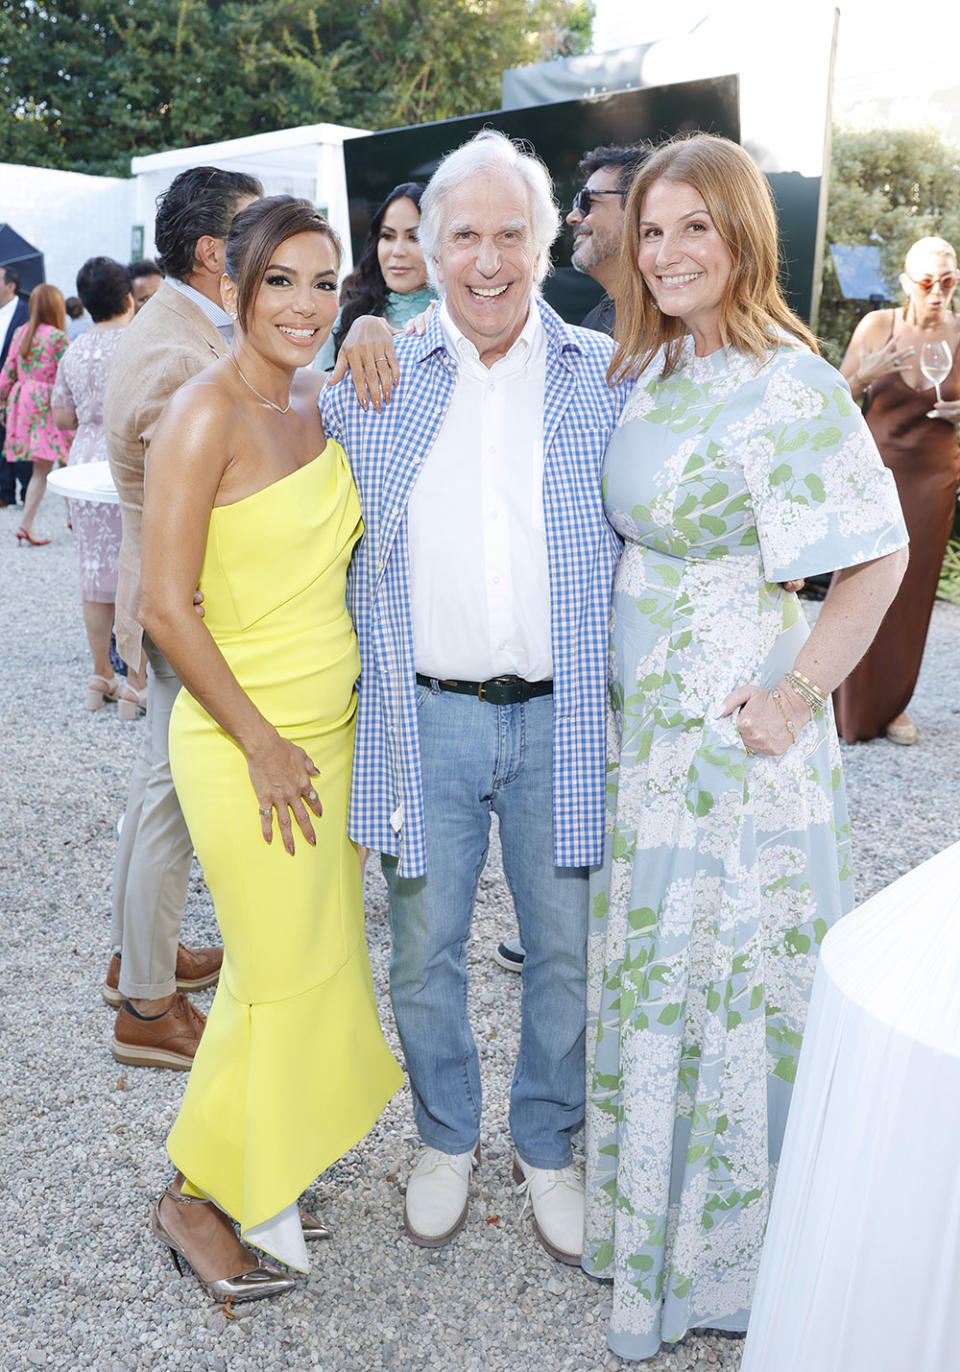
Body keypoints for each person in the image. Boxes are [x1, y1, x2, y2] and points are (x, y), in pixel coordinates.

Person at [581, 133, 908, 1362]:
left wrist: (798, 693)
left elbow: (875, 552)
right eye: (651, 231)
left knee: (725, 975)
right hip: (649, 738)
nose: (666, 253)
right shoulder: (662, 369)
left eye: (692, 230)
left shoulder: (790, 381)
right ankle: (656, 1230)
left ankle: (734, 1260)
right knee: (662, 967)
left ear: (742, 238)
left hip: (735, 736)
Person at [320, 129, 628, 1267]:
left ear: (549, 242)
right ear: (426, 248)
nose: (488, 260)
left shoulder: (609, 378)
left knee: (565, 952)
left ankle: (549, 1145)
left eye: (512, 233)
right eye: (465, 236)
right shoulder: (371, 379)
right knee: (424, 950)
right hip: (424, 712)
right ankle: (445, 1135)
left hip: (564, 720)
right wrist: (361, 321)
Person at [139, 194, 402, 1302]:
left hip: (330, 737)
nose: (307, 303)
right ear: (232, 284)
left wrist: (386, 329)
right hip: (251, 745)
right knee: (277, 969)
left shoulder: (314, 408)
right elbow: (162, 606)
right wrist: (259, 742)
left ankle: (265, 1158)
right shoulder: (203, 413)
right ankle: (194, 1193)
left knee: (302, 962)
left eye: (327, 282)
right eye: (284, 281)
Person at [102, 166, 261, 1063]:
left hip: (169, 605)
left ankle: (138, 960)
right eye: (254, 231)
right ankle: (151, 1008)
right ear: (214, 253)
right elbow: (197, 498)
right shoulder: (175, 349)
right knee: (174, 806)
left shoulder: (177, 323)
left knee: (156, 791)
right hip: (186, 610)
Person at [493, 140, 655, 979]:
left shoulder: (676, 340)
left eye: (590, 200)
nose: (574, 217)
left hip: (658, 647)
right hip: (593, 649)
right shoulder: (596, 332)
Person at [833, 235, 960, 746]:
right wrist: (866, 373)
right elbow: (834, 396)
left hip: (933, 478)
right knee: (859, 584)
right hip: (876, 474)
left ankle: (892, 704)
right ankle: (843, 698)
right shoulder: (879, 326)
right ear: (907, 281)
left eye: (947, 281)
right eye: (927, 281)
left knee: (911, 595)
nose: (937, 292)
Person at [51, 257, 147, 715]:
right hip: (131, 459)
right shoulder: (141, 343)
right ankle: (137, 681)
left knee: (93, 576)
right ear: (128, 297)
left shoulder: (75, 350)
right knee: (139, 569)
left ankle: (100, 676)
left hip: (85, 461)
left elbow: (62, 416)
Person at [315, 181, 432, 370]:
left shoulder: (458, 316)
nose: (397, 251)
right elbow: (319, 392)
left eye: (414, 237)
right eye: (387, 236)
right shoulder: (347, 316)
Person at [0, 283, 73, 545]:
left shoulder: (21, 332)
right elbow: (69, 375)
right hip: (50, 404)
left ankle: (72, 517)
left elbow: (7, 373)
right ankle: (27, 523)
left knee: (57, 463)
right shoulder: (57, 337)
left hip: (24, 404)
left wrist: (2, 403)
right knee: (54, 464)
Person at [567, 142, 652, 336]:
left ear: (637, 209)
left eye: (587, 201)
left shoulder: (680, 317)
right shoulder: (593, 324)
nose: (571, 217)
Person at [0, 264, 30, 508]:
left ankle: (27, 492)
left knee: (21, 442)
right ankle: (4, 492)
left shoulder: (27, 313)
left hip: (20, 388)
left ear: (11, 286)